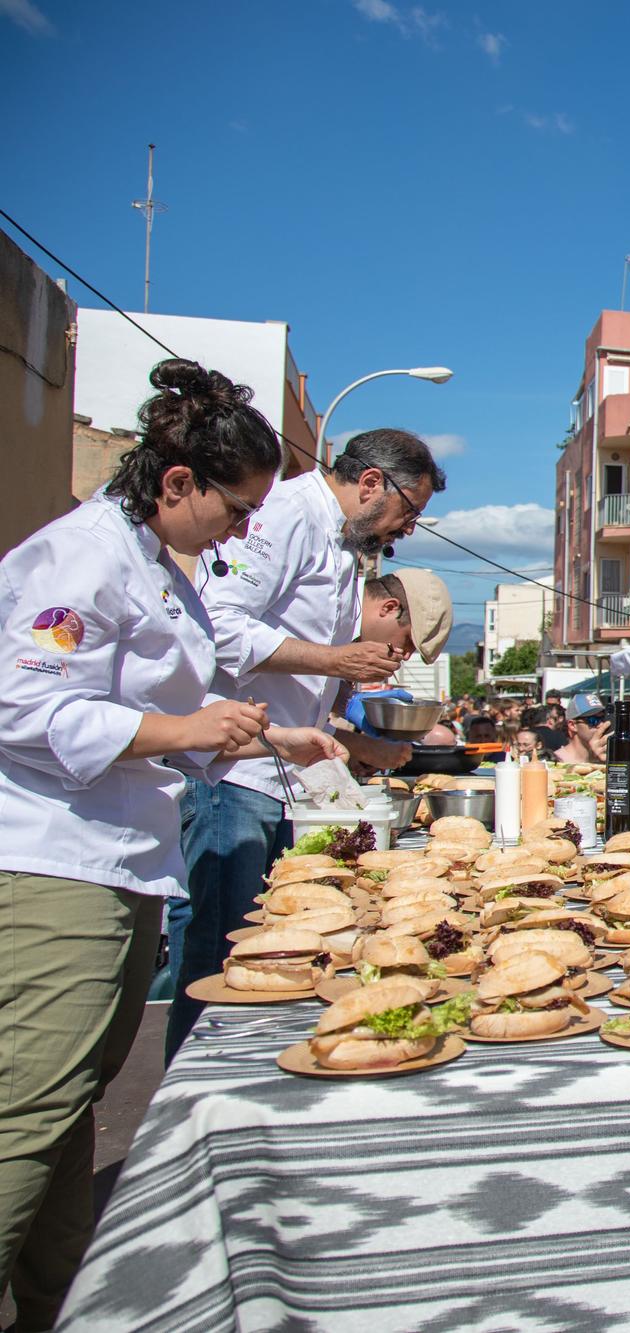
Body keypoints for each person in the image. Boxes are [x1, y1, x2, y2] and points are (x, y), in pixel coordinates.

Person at [0, 360, 346, 1328]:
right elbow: (23, 698)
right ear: (177, 483)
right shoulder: (83, 557)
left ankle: (61, 1302)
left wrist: (263, 732)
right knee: (28, 1110)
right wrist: (187, 735)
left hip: (116, 854)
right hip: (51, 857)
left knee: (71, 1102)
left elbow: (173, 704)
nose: (242, 533)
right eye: (235, 511)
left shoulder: (160, 566)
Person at [170, 425, 450, 1061]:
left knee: (278, 948)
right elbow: (215, 624)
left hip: (277, 774)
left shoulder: (343, 545)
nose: (406, 529)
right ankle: (197, 1094)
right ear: (372, 482)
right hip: (232, 775)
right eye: (409, 511)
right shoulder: (288, 513)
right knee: (227, 955)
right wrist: (336, 659)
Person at [551, 694, 610, 764]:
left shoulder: (606, 759)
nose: (601, 725)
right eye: (593, 720)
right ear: (572, 725)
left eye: (603, 719)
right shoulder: (557, 761)